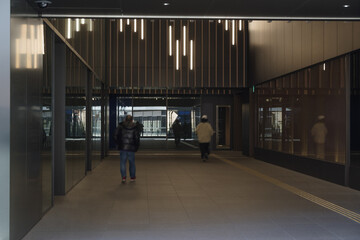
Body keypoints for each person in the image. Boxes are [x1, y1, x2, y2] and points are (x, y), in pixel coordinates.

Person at [114, 115, 140, 183]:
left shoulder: (120, 127)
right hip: (131, 148)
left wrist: (118, 144)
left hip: (123, 148)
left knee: (122, 162)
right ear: (132, 120)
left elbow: (115, 136)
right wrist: (136, 147)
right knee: (132, 163)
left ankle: (123, 177)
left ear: (125, 119)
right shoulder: (135, 127)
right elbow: (137, 138)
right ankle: (132, 177)